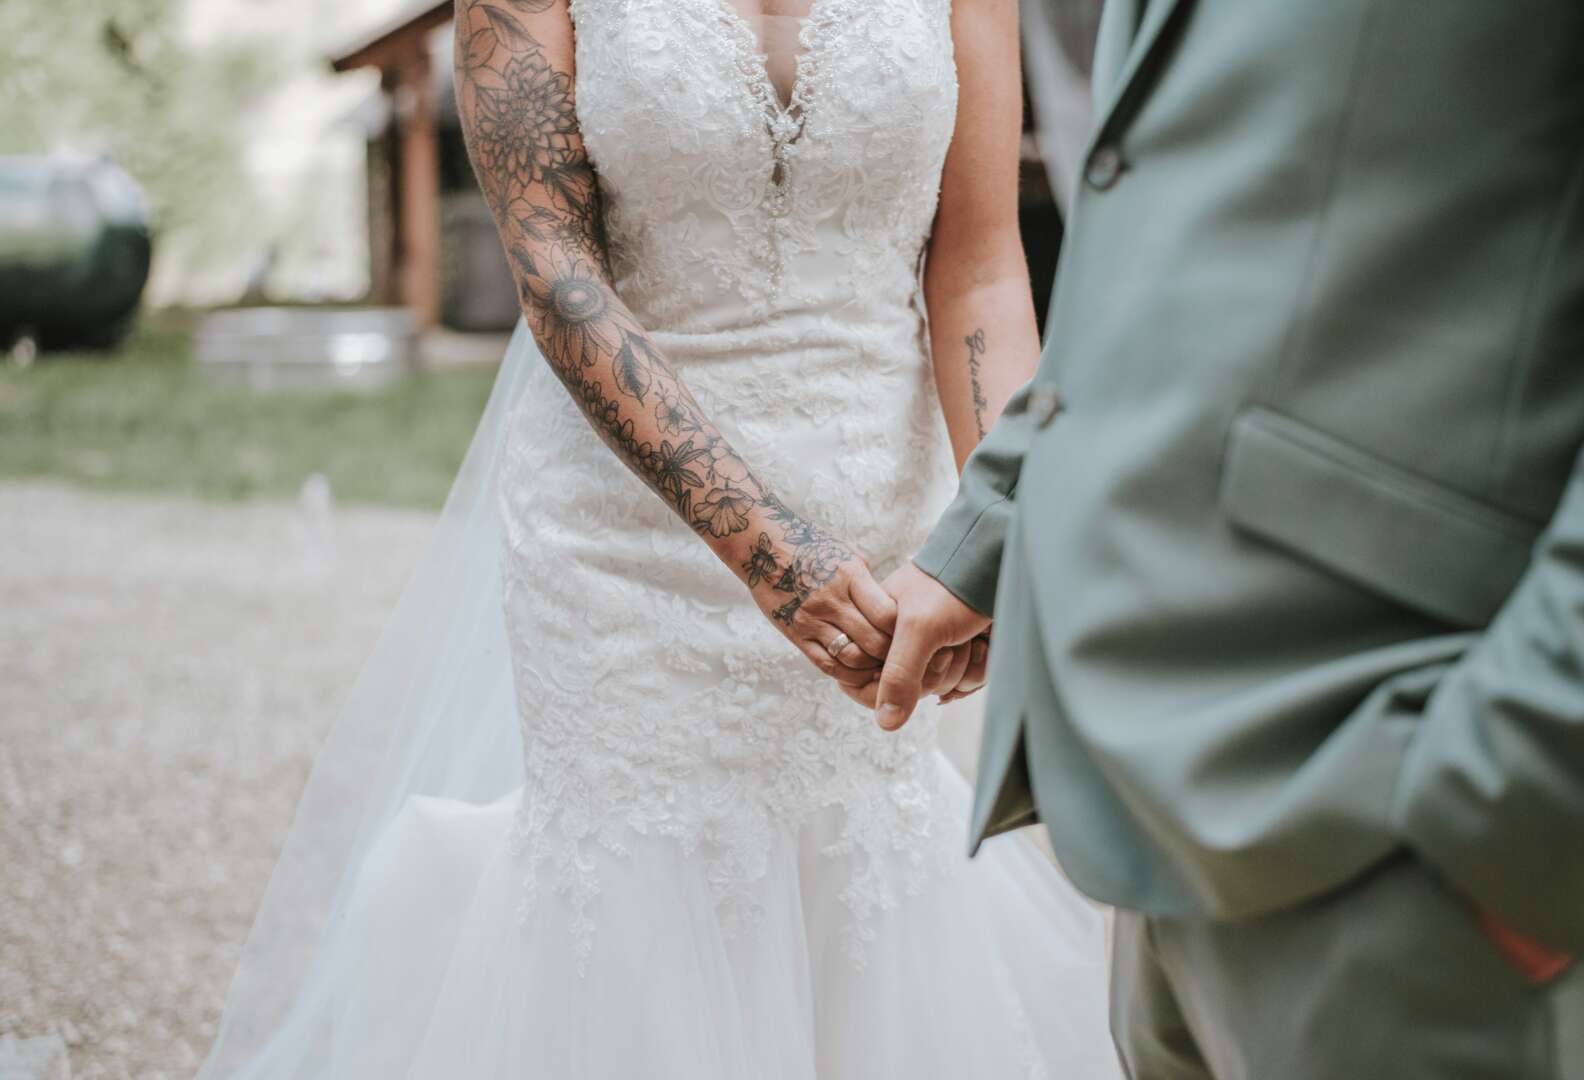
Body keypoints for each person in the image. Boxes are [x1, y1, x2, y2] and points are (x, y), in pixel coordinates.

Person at [198, 1, 1121, 1077]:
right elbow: (553, 265)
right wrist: (763, 546)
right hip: (624, 545)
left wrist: (993, 535)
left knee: (864, 892)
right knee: (639, 911)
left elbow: (981, 265)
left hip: (886, 540)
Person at [870, 1, 1584, 1076]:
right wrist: (994, 527)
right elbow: (1157, 219)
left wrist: (1534, 795)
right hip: (1144, 826)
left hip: (1413, 815)